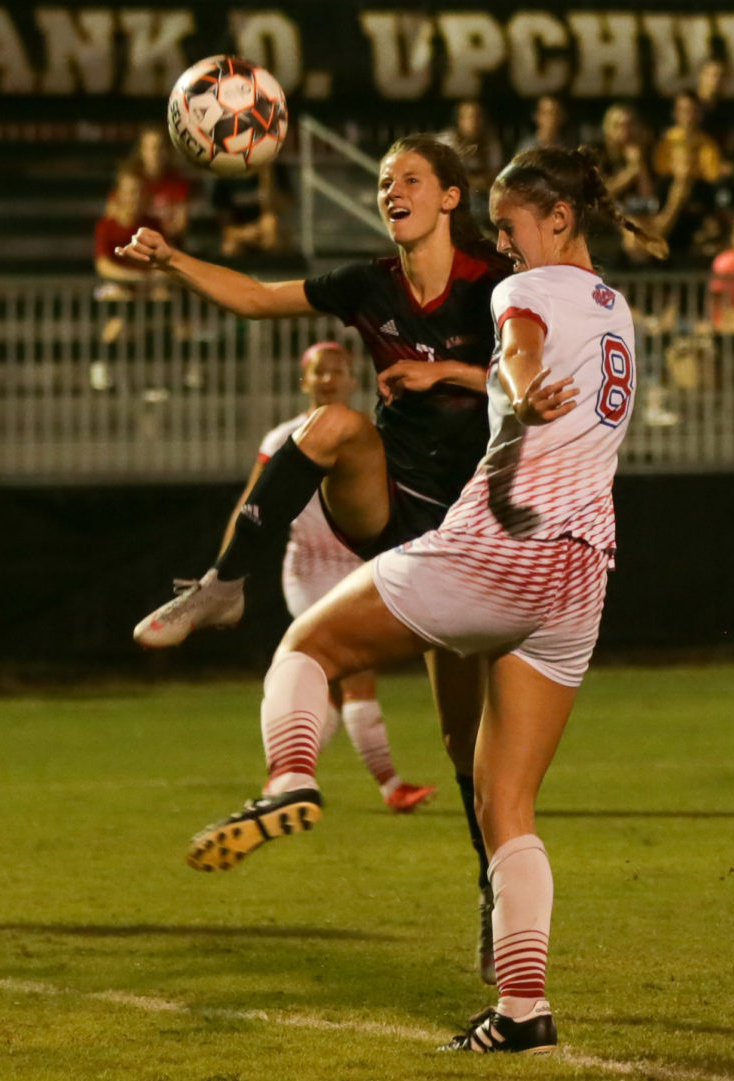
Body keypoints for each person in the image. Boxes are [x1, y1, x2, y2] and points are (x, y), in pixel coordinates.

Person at [185, 145, 654, 1054]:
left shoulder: (520, 293)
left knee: (307, 649)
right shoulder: (618, 311)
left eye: (512, 227)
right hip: (585, 570)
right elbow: (531, 370)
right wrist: (498, 385)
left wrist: (513, 396)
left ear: (558, 218)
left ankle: (290, 778)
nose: (505, 247)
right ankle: (523, 1012)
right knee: (505, 801)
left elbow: (517, 354)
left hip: (502, 544)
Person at [116, 134, 506, 977]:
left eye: (409, 178)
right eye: (381, 181)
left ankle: (494, 892)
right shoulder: (370, 283)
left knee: (465, 745)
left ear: (450, 197)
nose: (391, 190)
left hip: (473, 531)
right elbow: (257, 298)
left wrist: (449, 376)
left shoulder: (496, 285)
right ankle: (223, 584)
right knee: (328, 428)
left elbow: (536, 381)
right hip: (392, 504)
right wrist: (173, 258)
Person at [225, 342, 434, 813]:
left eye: (338, 371)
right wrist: (225, 572)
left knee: (332, 694)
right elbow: (250, 505)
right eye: (320, 372)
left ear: (351, 380)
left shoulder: (366, 436)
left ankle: (282, 782)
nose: (328, 379)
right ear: (304, 380)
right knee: (358, 674)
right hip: (311, 568)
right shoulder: (283, 438)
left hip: (357, 565)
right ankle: (392, 787)